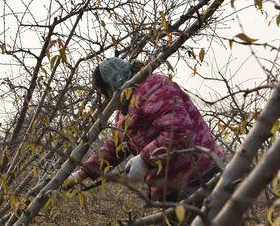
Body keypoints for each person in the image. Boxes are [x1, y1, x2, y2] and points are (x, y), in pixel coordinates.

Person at [65, 57, 225, 203]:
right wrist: (82, 173)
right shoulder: (124, 109)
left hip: (201, 176)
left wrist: (144, 159)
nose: (106, 99)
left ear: (112, 83)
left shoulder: (154, 86)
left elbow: (178, 130)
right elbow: (117, 146)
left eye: (104, 92)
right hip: (170, 190)